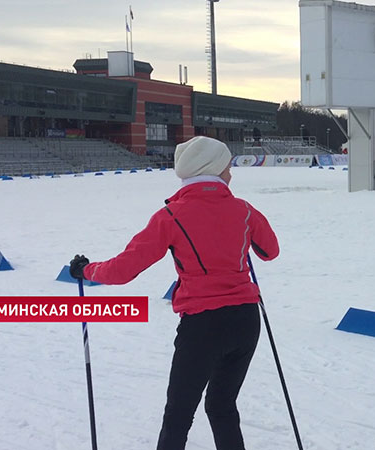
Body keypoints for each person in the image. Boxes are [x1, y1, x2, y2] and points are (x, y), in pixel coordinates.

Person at [69, 135, 279, 450]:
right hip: (245, 322)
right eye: (226, 168)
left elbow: (124, 270)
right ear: (213, 170)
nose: (231, 174)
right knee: (221, 406)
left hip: (203, 327)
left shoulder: (170, 216)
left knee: (179, 416)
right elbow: (270, 252)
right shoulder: (244, 210)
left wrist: (86, 270)